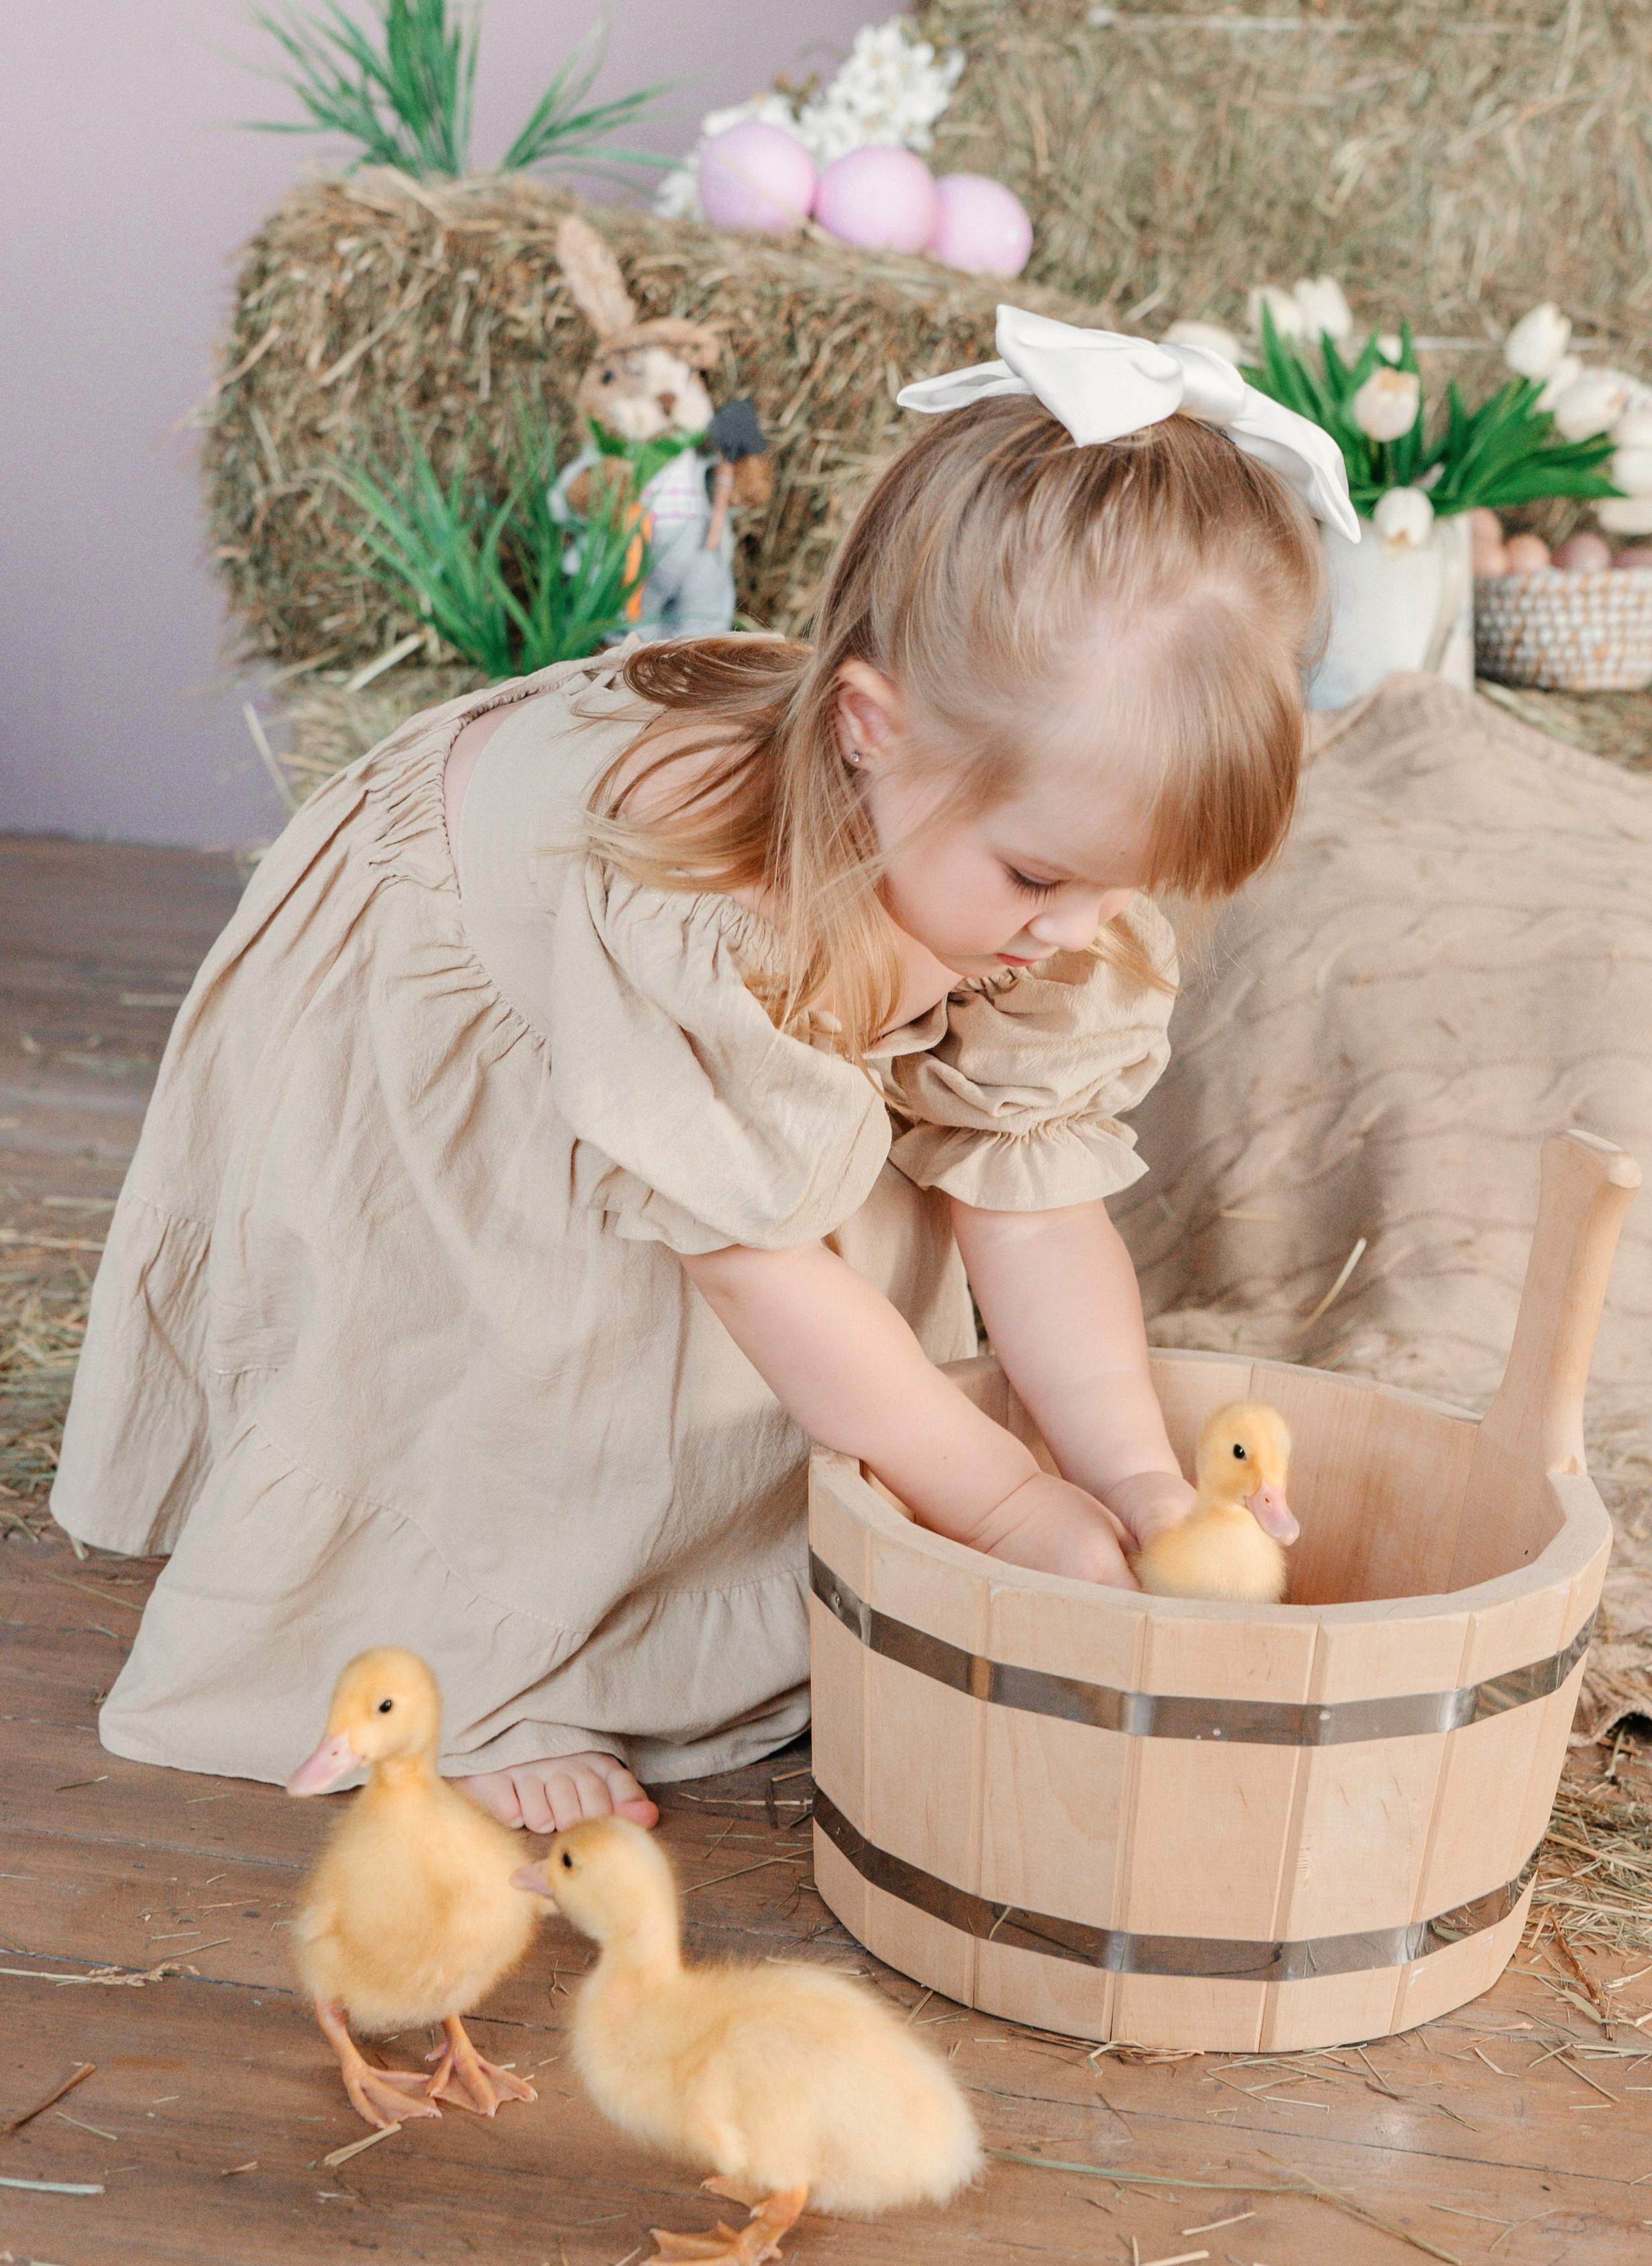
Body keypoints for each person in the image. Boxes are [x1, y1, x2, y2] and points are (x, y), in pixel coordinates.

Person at [52, 309, 1352, 1833]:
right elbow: (752, 1260)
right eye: (1042, 882)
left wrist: (1127, 1478)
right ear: (872, 734)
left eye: (1123, 890)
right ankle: (462, 1671)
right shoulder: (693, 910)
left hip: (784, 961)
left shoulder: (1015, 868)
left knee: (850, 1301)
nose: (1077, 935)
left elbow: (1030, 1190)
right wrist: (1000, 1502)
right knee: (580, 1324)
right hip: (496, 987)